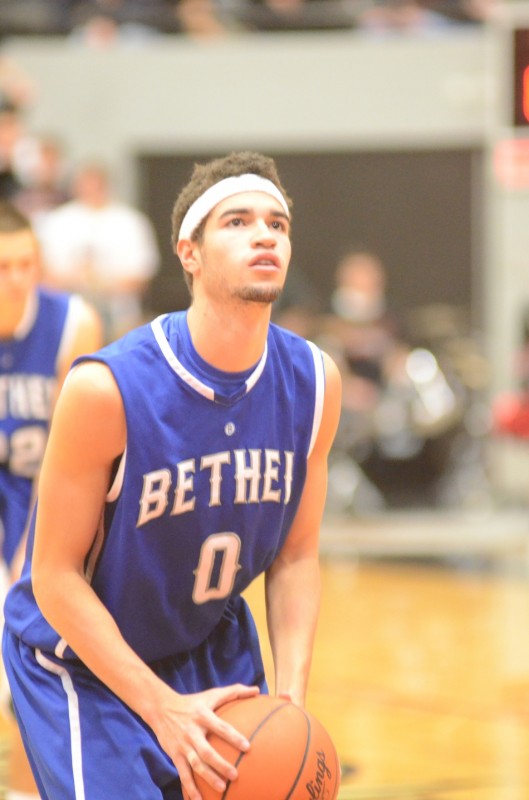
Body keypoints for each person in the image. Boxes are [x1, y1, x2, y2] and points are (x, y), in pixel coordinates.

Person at [2, 151, 342, 800]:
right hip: (82, 660)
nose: (265, 233)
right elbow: (52, 576)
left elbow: (296, 556)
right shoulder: (109, 388)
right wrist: (159, 706)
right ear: (188, 252)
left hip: (210, 647)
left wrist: (291, 700)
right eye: (237, 221)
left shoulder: (314, 385)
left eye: (277, 223)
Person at [0, 201, 102, 799]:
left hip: (41, 497)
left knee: (29, 673)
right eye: (3, 266)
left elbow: (73, 460)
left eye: (26, 264)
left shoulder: (73, 322)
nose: (17, 278)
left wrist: (33, 552)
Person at [38, 161, 160, 342]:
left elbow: (142, 275)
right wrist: (78, 279)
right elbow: (43, 274)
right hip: (64, 318)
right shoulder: (56, 221)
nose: (91, 189)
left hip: (120, 318)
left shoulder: (131, 221)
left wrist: (101, 282)